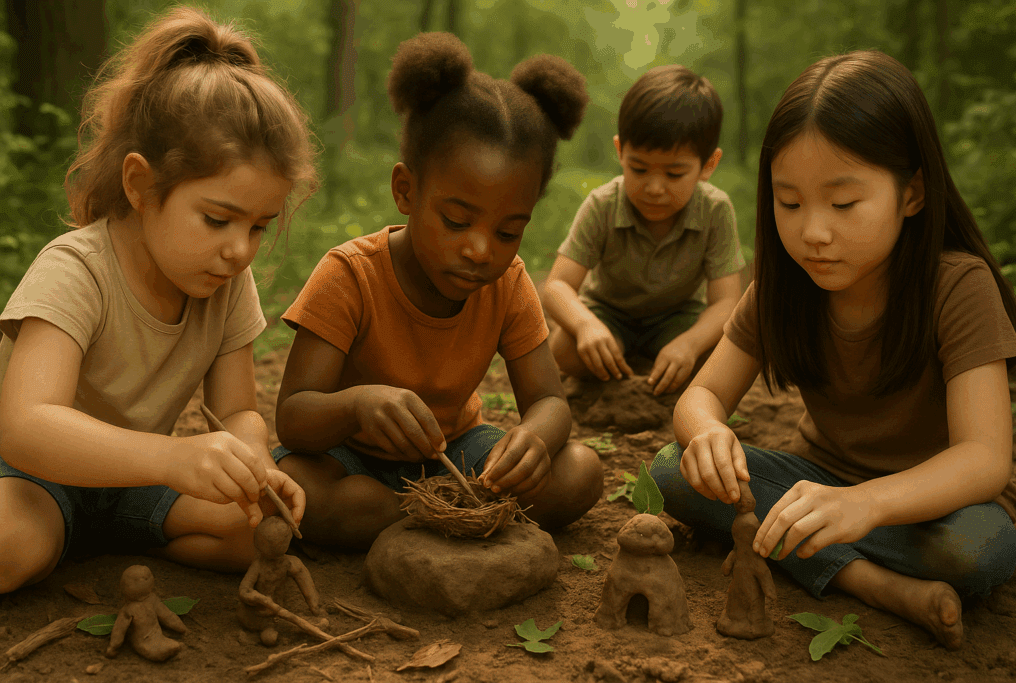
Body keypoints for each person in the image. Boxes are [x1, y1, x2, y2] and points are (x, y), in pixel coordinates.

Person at [651, 50, 1016, 650]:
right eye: (789, 203)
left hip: (936, 506)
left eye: (844, 204)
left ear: (913, 194)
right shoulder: (783, 287)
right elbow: (703, 393)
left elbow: (984, 459)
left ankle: (826, 557)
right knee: (675, 470)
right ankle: (874, 582)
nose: (812, 232)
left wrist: (868, 504)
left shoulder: (957, 285)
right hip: (817, 480)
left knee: (977, 551)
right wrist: (706, 433)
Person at [0, 7, 318, 593]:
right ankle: (65, 537)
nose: (239, 251)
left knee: (260, 529)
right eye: (218, 219)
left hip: (135, 485)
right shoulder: (77, 270)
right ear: (142, 186)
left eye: (257, 227)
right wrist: (171, 460)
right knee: (13, 546)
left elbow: (238, 411)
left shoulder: (224, 284)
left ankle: (94, 545)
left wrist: (255, 465)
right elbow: (25, 425)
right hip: (33, 476)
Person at [273, 32, 604, 550]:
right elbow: (293, 418)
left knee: (580, 470)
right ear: (406, 190)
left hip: (459, 458)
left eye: (508, 231)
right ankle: (447, 518)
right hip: (350, 460)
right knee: (302, 489)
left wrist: (534, 439)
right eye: (456, 221)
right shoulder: (350, 275)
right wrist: (358, 405)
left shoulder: (509, 282)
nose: (480, 250)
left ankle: (435, 514)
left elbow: (549, 401)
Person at [542, 65, 745, 396]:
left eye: (674, 174)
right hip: (608, 313)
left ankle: (653, 361)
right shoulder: (603, 205)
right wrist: (586, 325)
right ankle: (621, 359)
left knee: (721, 351)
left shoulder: (715, 209)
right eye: (639, 168)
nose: (654, 188)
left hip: (677, 319)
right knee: (564, 349)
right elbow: (558, 285)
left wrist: (689, 345)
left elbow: (726, 303)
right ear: (621, 151)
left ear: (708, 165)